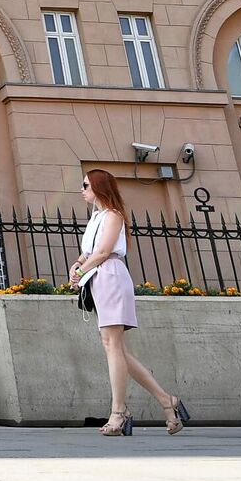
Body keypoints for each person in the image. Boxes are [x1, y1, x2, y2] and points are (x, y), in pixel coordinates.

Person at [68, 169, 189, 437]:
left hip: (110, 276)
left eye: (86, 185)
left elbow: (102, 252)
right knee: (115, 348)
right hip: (98, 278)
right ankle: (167, 401)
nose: (82, 189)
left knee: (112, 345)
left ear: (99, 187)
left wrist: (80, 271)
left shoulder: (113, 215)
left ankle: (119, 412)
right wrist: (76, 266)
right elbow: (89, 251)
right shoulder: (96, 218)